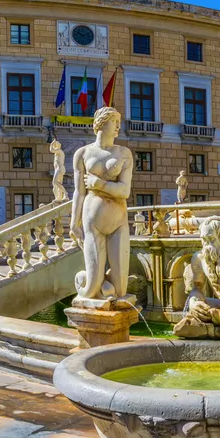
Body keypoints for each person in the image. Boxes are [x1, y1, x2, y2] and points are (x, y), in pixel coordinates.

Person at [71, 106, 133, 304]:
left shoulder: (124, 153)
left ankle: (106, 285)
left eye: (118, 122)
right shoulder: (82, 154)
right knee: (89, 289)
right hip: (92, 221)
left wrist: (99, 184)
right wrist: (74, 223)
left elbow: (125, 191)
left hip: (118, 221)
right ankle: (99, 284)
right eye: (114, 122)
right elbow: (79, 192)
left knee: (121, 291)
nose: (118, 126)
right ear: (101, 123)